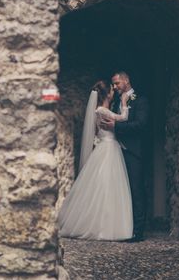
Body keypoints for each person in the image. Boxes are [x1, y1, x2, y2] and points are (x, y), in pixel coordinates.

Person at [58, 80, 133, 241]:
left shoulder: (98, 110)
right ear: (106, 94)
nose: (114, 91)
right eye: (112, 90)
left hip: (105, 148)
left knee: (103, 186)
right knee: (107, 187)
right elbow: (123, 118)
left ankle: (100, 223)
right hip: (109, 149)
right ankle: (103, 227)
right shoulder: (102, 110)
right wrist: (124, 102)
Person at [101, 71, 149, 242]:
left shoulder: (140, 100)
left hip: (133, 151)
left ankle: (138, 232)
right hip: (117, 151)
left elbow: (141, 125)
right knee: (121, 192)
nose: (114, 87)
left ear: (126, 81)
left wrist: (117, 127)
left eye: (117, 83)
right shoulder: (115, 103)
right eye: (113, 84)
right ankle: (123, 229)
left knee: (136, 190)